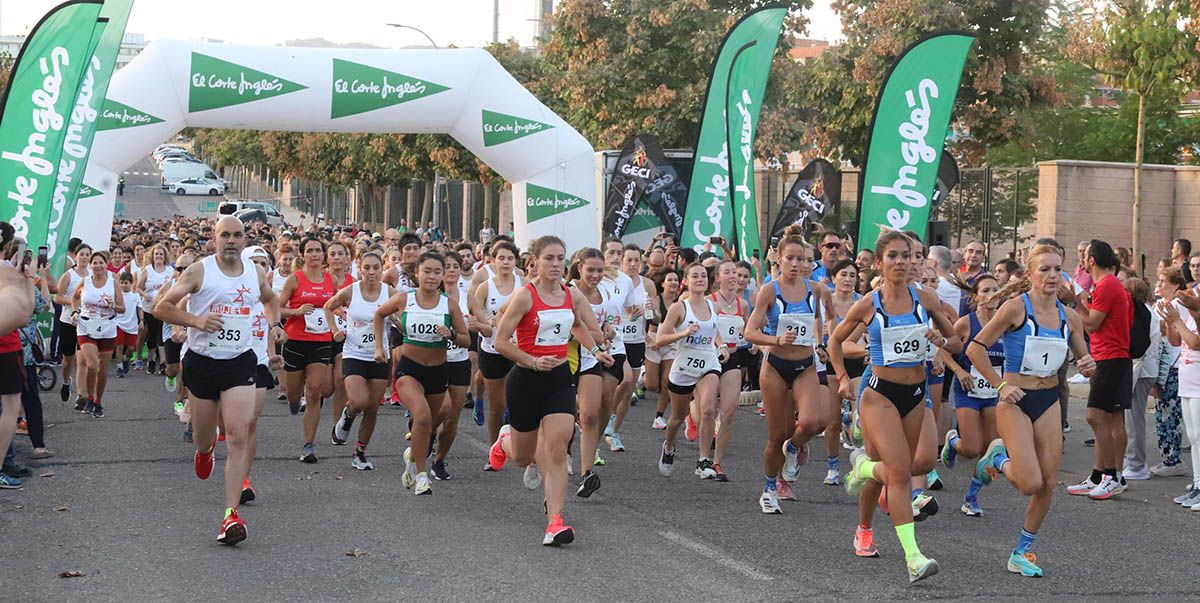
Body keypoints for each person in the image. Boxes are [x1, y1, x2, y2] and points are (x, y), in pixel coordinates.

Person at [829, 230, 961, 583]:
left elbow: (958, 342)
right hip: (879, 395)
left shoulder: (927, 298)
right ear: (880, 262)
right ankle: (914, 557)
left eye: (908, 256)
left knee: (902, 466)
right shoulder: (869, 304)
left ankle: (863, 505)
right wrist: (842, 377)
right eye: (894, 256)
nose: (902, 262)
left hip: (916, 395)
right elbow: (836, 341)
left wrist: (941, 340)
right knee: (900, 471)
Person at [966, 243, 1094, 577]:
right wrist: (1001, 385)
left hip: (1048, 399)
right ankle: (997, 458)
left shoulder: (1069, 316)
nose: (1052, 276)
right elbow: (975, 349)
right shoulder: (1014, 308)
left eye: (1057, 269)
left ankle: (1021, 551)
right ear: (1030, 274)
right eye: (1045, 269)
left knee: (1048, 483)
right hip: (1015, 401)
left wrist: (1089, 363)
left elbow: (1083, 356)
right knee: (1028, 483)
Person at [154, 216, 282, 545]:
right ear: (215, 238)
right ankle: (204, 451)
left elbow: (270, 298)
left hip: (240, 361)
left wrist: (275, 323)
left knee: (239, 433)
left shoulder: (254, 272)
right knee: (203, 436)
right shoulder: (199, 270)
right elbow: (161, 307)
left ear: (244, 239)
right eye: (224, 234)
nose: (231, 240)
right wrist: (195, 320)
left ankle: (230, 516)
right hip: (202, 363)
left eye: (237, 235)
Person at [487, 235, 612, 545]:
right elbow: (500, 341)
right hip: (526, 380)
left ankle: (554, 521)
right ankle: (504, 444)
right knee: (524, 456)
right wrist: (530, 360)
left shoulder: (572, 295)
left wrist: (596, 351)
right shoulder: (525, 297)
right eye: (549, 259)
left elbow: (578, 325)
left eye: (560, 259)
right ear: (535, 263)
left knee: (557, 448)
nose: (556, 265)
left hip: (559, 379)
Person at [743, 225, 829, 514]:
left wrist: (821, 343)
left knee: (813, 423)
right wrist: (775, 339)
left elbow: (817, 321)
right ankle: (769, 488)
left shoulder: (815, 290)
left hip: (805, 364)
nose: (796, 264)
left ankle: (794, 448)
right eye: (790, 258)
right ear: (778, 259)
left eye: (802, 259)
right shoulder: (770, 290)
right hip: (776, 367)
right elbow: (750, 332)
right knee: (775, 435)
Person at [373, 252, 470, 495]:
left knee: (427, 426)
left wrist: (451, 335)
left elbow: (467, 340)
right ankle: (422, 476)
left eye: (437, 272)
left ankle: (412, 458)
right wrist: (379, 346)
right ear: (417, 273)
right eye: (427, 271)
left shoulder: (449, 304)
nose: (432, 276)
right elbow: (379, 314)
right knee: (423, 417)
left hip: (438, 371)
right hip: (409, 369)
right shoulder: (405, 299)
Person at [1067, 240, 1133, 500]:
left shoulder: (1107, 285)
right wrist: (1079, 300)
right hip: (1108, 356)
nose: (1082, 259)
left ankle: (1111, 476)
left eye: (1084, 255)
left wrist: (1073, 303)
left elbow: (1092, 323)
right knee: (1110, 418)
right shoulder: (1106, 285)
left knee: (1096, 415)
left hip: (1112, 357)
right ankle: (1101, 475)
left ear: (1092, 260)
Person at [656, 261, 726, 480]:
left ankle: (703, 460)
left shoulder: (712, 305)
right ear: (686, 281)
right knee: (677, 417)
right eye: (695, 276)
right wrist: (683, 332)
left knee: (707, 410)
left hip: (708, 362)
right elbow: (660, 339)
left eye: (703, 276)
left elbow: (714, 329)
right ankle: (668, 446)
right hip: (684, 365)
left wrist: (721, 345)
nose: (700, 279)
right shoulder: (679, 308)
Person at [939, 275, 1002, 516]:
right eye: (986, 290)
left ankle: (971, 497)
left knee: (990, 451)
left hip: (995, 391)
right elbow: (944, 351)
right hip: (968, 389)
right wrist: (959, 369)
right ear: (976, 297)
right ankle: (954, 441)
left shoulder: (1007, 323)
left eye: (996, 290)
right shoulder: (966, 323)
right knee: (971, 449)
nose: (991, 294)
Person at [326, 250, 393, 471]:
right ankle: (348, 415)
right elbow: (328, 306)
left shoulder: (390, 292)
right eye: (367, 268)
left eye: (376, 267)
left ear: (382, 268)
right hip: (354, 352)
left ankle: (360, 452)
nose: (371, 272)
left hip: (380, 356)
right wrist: (336, 329)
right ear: (359, 268)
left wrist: (397, 321)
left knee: (372, 407)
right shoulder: (350, 292)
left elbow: (402, 319)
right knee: (358, 401)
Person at [278, 237, 336, 463]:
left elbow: (337, 304)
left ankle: (308, 445)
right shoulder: (294, 280)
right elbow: (277, 309)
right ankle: (294, 401)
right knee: (295, 394)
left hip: (321, 341)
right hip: (295, 341)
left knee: (313, 391)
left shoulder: (330, 280)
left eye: (318, 251)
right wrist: (297, 312)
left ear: (323, 255)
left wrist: (338, 313)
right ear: (302, 255)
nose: (315, 254)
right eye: (310, 251)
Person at [471, 240, 523, 447]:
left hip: (518, 349)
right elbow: (474, 315)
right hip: (491, 349)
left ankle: (518, 443)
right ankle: (495, 449)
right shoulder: (485, 287)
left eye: (510, 258)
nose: (506, 262)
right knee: (497, 405)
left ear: (516, 261)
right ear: (493, 260)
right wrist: (487, 322)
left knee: (518, 399)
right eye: (501, 258)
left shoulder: (524, 284)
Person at [73, 250, 126, 418]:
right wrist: (75, 311)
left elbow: (122, 308)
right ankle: (89, 397)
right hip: (86, 326)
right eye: (94, 263)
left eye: (100, 262)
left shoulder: (113, 282)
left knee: (102, 370)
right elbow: (74, 298)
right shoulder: (85, 281)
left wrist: (112, 306)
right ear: (91, 265)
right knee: (92, 365)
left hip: (107, 327)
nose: (97, 266)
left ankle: (98, 401)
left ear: (106, 265)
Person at [1150, 267, 1189, 478]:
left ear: (1175, 285)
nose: (1160, 284)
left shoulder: (1178, 305)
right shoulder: (1162, 305)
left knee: (1170, 414)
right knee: (1162, 412)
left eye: (1165, 281)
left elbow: (1175, 336)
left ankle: (1173, 460)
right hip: (1164, 365)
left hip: (1174, 365)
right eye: (1160, 280)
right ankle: (1167, 457)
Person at [710, 260, 746, 482]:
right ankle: (692, 419)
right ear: (718, 278)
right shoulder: (710, 303)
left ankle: (716, 462)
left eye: (736, 272)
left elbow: (749, 330)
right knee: (706, 410)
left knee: (729, 412)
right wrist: (719, 343)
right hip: (709, 358)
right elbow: (710, 329)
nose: (733, 276)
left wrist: (755, 343)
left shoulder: (745, 305)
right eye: (728, 272)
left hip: (732, 359)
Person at [1122, 277, 1161, 481]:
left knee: (1134, 419)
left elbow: (1139, 347)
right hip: (1145, 369)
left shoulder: (1143, 314)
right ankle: (1133, 461)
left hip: (1141, 371)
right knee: (1132, 418)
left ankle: (1137, 464)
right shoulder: (1147, 312)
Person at [55, 243, 92, 406]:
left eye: (87, 254)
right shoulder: (69, 275)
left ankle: (80, 396)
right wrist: (74, 302)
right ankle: (65, 381)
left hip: (85, 322)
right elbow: (57, 297)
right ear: (76, 256)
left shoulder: (92, 275)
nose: (84, 257)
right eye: (82, 254)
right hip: (68, 321)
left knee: (82, 360)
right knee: (67, 360)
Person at [135, 245, 173, 375]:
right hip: (149, 308)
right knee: (151, 336)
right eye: (156, 254)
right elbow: (138, 288)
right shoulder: (148, 270)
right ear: (152, 256)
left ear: (165, 256)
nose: (158, 256)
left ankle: (163, 363)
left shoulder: (170, 270)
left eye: (161, 254)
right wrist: (144, 294)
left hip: (164, 307)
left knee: (162, 335)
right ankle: (151, 360)